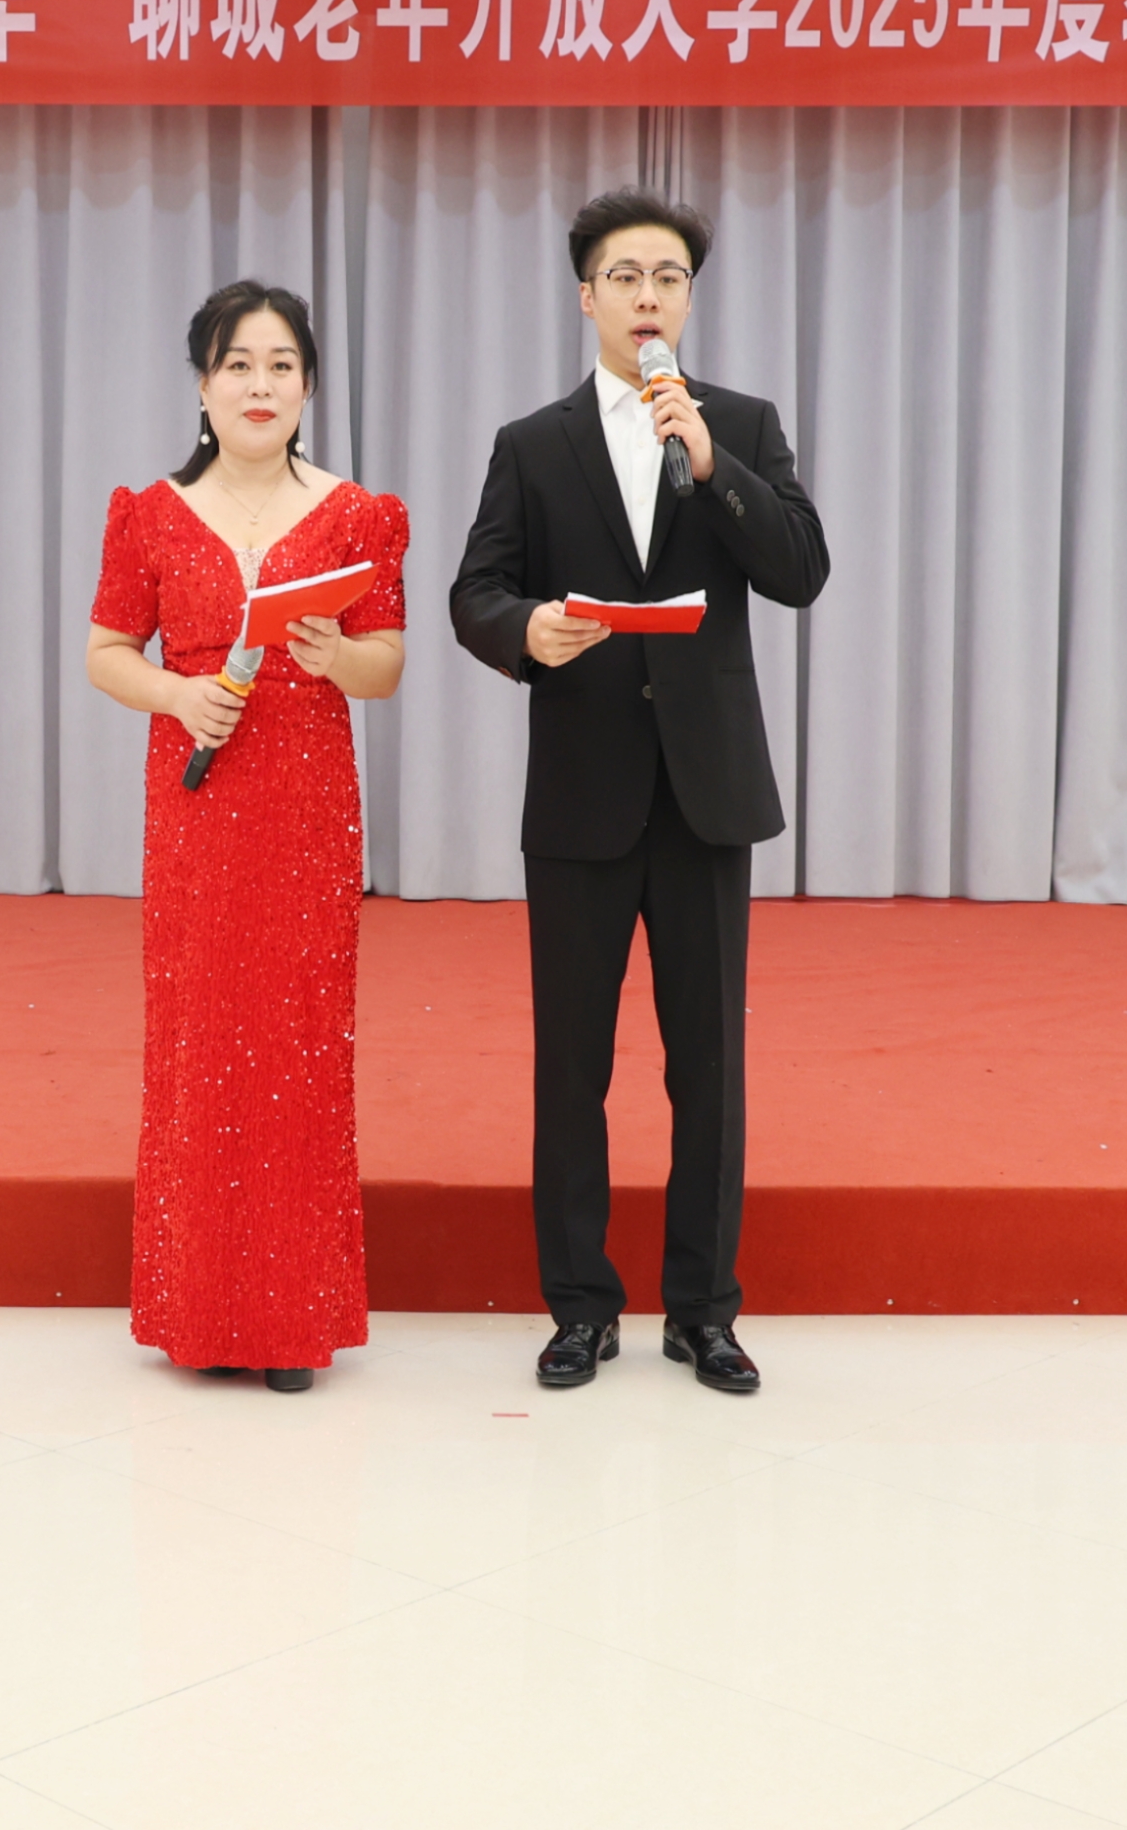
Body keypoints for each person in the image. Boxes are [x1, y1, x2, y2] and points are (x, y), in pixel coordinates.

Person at [450, 191, 828, 1394]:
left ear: (689, 299)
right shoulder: (533, 442)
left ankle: (704, 1310)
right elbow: (475, 591)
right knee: (573, 1064)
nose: (648, 296)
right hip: (582, 793)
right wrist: (527, 630)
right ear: (587, 297)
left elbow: (801, 569)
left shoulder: (741, 425)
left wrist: (714, 467)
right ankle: (580, 1307)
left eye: (669, 277)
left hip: (707, 793)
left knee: (707, 1064)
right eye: (625, 276)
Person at [86, 282, 409, 1391]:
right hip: (198, 805)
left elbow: (386, 666)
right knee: (202, 1042)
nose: (259, 385)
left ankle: (290, 1319)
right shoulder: (153, 513)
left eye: (281, 365)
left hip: (307, 807)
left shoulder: (356, 514)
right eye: (238, 365)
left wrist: (334, 656)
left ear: (308, 385)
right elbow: (105, 653)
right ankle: (201, 1308)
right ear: (203, 385)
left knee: (297, 1044)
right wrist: (176, 695)